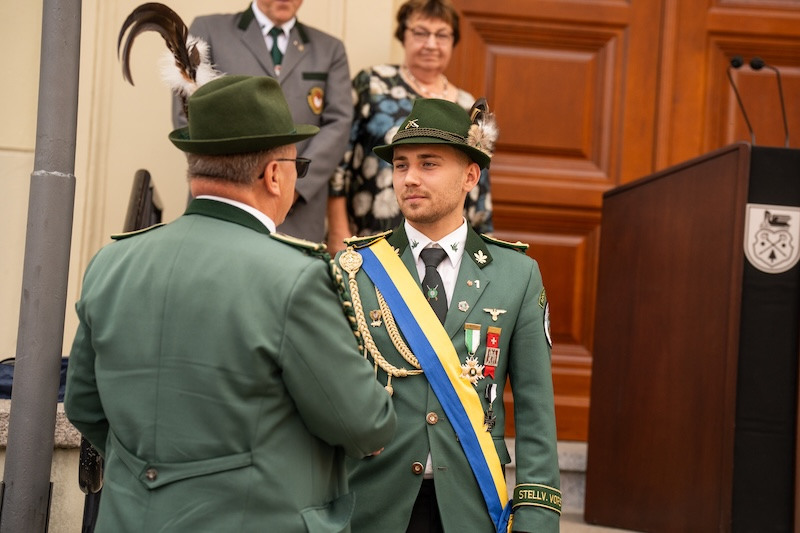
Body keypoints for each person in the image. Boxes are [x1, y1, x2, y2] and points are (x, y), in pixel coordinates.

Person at [66, 75, 397, 532]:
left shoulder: (111, 262)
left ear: (195, 169)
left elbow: (84, 404)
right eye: (297, 166)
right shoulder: (293, 276)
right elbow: (363, 423)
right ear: (274, 175)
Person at [335, 98, 560, 532]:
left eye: (429, 164)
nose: (410, 178)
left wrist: (537, 517)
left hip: (471, 505)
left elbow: (535, 411)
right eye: (400, 165)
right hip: (372, 505)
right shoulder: (355, 270)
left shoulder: (516, 275)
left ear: (470, 177)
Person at [172, 0, 352, 243]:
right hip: (225, 207)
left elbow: (339, 123)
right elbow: (188, 114)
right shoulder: (209, 31)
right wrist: (238, 184)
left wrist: (291, 185)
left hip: (298, 213)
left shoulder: (329, 49)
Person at [327, 0, 493, 253]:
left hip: (445, 247)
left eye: (442, 35)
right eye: (420, 32)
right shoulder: (373, 84)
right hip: (371, 233)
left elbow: (480, 179)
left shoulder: (466, 105)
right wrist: (338, 230)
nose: (431, 44)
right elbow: (338, 162)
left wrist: (481, 243)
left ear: (453, 41)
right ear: (403, 36)